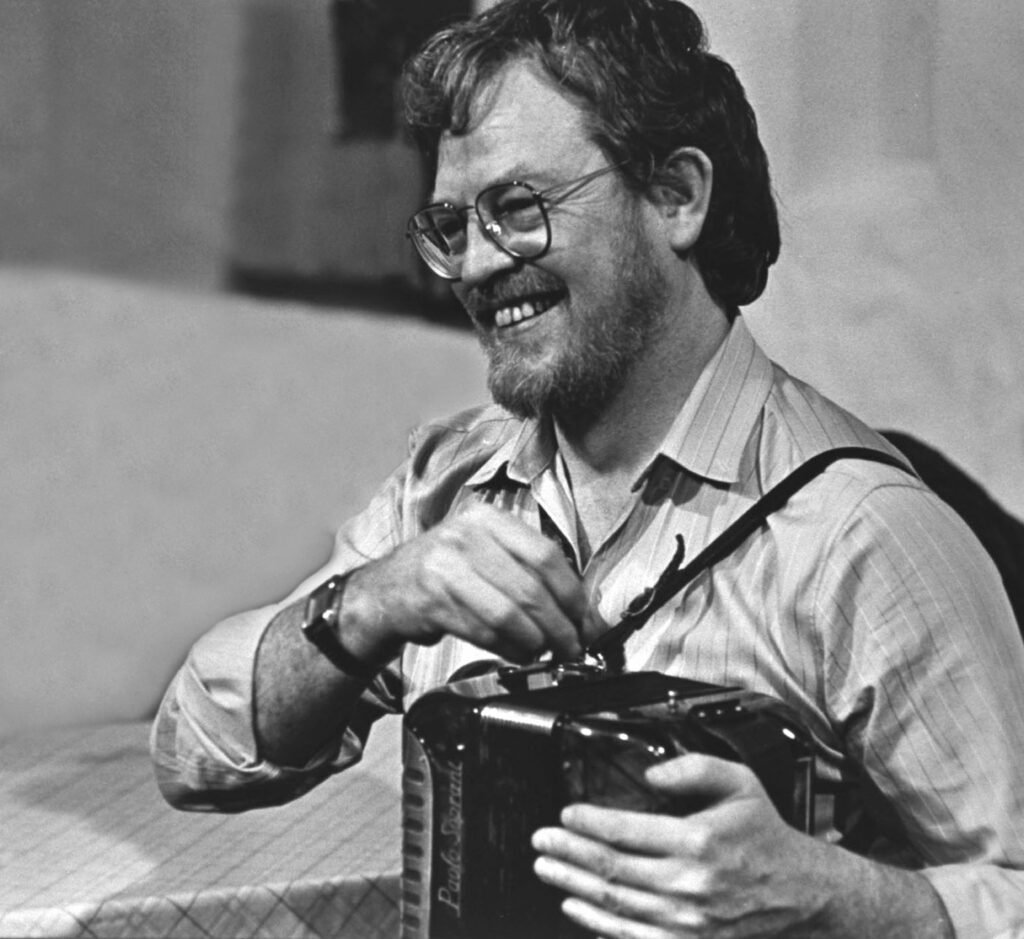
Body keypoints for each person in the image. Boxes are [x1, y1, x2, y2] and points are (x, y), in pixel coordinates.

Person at [151, 1, 1024, 935]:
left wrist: (836, 894)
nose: (478, 267)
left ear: (678, 197)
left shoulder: (864, 534)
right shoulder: (449, 487)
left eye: (519, 210)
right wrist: (367, 603)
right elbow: (197, 747)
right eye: (452, 225)